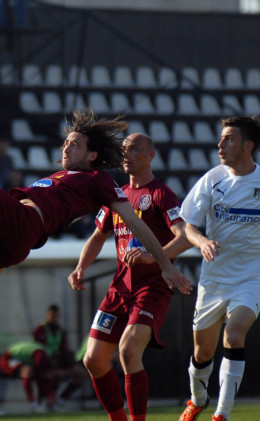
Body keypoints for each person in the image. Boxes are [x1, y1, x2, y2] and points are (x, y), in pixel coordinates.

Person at [0, 109, 192, 406]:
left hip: (24, 222)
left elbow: (135, 222)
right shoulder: (62, 176)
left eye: (75, 144)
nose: (66, 147)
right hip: (1, 237)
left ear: (92, 155)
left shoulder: (98, 180)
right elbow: (97, 236)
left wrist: (165, 265)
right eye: (66, 142)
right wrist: (81, 266)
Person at [178, 116, 260, 421]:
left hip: (255, 276)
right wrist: (202, 243)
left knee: (234, 335)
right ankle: (198, 399)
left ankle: (222, 414)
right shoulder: (212, 180)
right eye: (221, 138)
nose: (220, 144)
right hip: (215, 278)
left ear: (247, 146)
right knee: (202, 353)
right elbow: (188, 227)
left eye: (228, 139)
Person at [68, 133, 192, 421]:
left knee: (128, 350)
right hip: (119, 288)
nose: (126, 154)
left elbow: (184, 238)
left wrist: (153, 256)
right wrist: (80, 267)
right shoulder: (117, 195)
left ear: (151, 155)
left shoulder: (161, 194)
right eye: (124, 149)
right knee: (93, 360)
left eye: (134, 148)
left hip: (151, 288)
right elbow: (98, 237)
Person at [32, 304, 87, 404]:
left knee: (81, 374)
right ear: (47, 316)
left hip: (59, 361)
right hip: (45, 363)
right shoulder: (40, 330)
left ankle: (62, 399)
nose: (55, 319)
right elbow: (38, 349)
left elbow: (64, 350)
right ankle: (46, 399)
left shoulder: (61, 331)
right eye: (52, 316)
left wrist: (71, 364)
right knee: (55, 375)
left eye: (57, 316)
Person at [0, 341, 55, 411]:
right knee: (27, 372)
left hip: (19, 360)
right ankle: (33, 403)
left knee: (37, 375)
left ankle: (39, 402)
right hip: (7, 360)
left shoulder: (44, 355)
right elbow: (40, 375)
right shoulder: (41, 356)